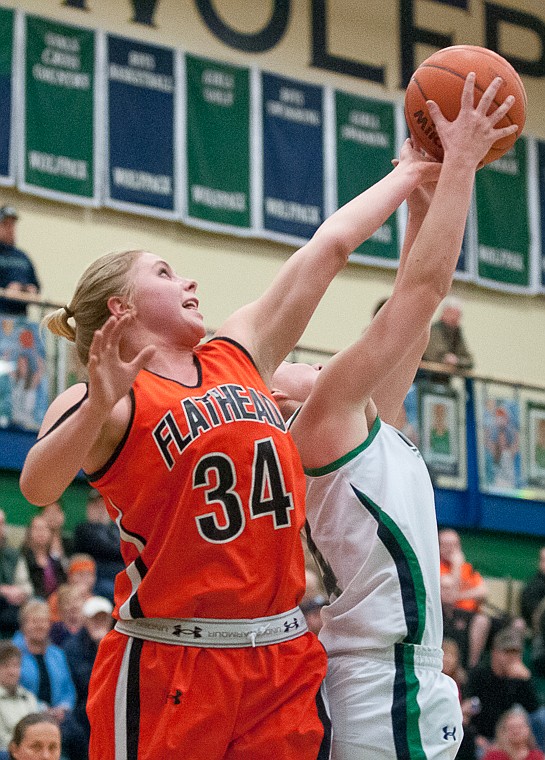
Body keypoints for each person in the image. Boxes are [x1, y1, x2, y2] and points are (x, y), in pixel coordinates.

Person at [18, 129, 441, 760]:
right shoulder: (109, 399)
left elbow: (327, 250)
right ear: (121, 307)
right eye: (165, 273)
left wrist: (413, 173)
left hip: (280, 652)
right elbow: (36, 485)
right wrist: (97, 405)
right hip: (172, 658)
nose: (189, 280)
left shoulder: (239, 352)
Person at [270, 74, 518, 759]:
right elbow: (420, 293)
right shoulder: (320, 422)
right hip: (381, 682)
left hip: (406, 673)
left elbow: (414, 314)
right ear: (277, 396)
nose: (312, 359)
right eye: (292, 360)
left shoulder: (361, 417)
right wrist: (462, 162)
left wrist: (420, 201)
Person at [12, 599, 86, 760]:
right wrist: (42, 709)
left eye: (44, 621)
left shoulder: (57, 654)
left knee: (81, 736)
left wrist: (64, 707)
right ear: (24, 624)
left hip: (60, 716)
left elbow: (68, 688)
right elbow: (16, 688)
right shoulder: (13, 653)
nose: (40, 626)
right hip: (27, 714)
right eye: (34, 621)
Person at [466, 626, 545, 753]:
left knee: (542, 715)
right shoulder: (479, 674)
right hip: (483, 736)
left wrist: (527, 680)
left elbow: (533, 710)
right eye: (507, 652)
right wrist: (476, 737)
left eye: (516, 652)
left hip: (511, 735)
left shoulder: (519, 676)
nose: (512, 657)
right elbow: (468, 709)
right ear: (495, 652)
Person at [63, 596, 114, 757]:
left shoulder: (117, 643)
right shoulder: (72, 646)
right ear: (86, 620)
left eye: (103, 618)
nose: (99, 623)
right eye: (94, 619)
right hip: (83, 705)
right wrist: (101, 647)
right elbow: (87, 683)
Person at [71, 492, 123, 603]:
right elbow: (105, 548)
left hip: (120, 576)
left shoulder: (115, 529)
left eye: (103, 505)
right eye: (96, 505)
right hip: (97, 579)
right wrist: (102, 524)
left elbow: (127, 549)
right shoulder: (83, 529)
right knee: (113, 591)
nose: (101, 510)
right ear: (89, 508)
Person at [0, 207, 40, 317]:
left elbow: (36, 285)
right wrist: (6, 290)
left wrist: (30, 289)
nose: (10, 229)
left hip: (21, 320)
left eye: (12, 225)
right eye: (6, 224)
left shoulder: (23, 257)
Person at [0, 642, 39, 753]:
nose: (12, 671)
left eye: (15, 666)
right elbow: (2, 740)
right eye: (5, 666)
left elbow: (38, 730)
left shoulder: (29, 697)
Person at [439, 528, 488, 614]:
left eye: (455, 545)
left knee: (517, 623)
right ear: (438, 547)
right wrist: (456, 566)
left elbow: (483, 592)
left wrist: (459, 596)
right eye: (447, 545)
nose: (451, 549)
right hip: (450, 613)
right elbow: (449, 597)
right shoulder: (437, 568)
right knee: (481, 621)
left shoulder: (468, 567)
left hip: (472, 613)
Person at [421, 295, 474, 373]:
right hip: (427, 377)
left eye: (458, 315)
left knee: (469, 381)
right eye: (452, 314)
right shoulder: (434, 330)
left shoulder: (457, 333)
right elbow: (434, 356)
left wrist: (457, 361)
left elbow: (470, 361)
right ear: (444, 313)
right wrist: (448, 359)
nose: (455, 318)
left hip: (444, 378)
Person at [0, 511, 32, 639]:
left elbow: (27, 586)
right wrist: (3, 590)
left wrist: (21, 592)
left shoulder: (13, 554)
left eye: (2, 524)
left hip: (10, 609)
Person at [18, 517, 66, 601]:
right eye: (36, 528)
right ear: (29, 532)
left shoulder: (55, 560)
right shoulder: (22, 557)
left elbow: (63, 584)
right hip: (33, 602)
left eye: (44, 528)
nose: (41, 532)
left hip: (56, 603)